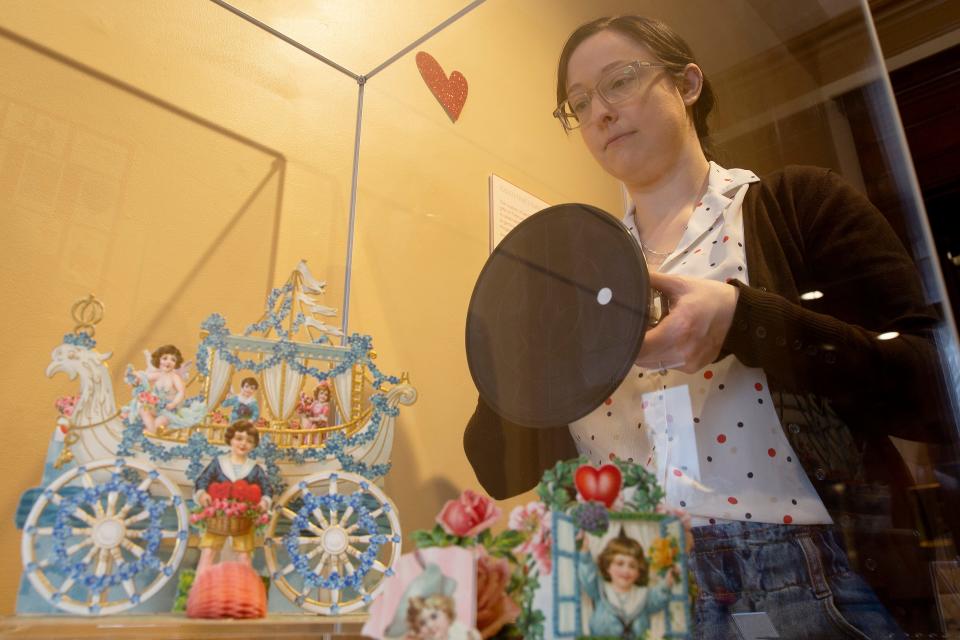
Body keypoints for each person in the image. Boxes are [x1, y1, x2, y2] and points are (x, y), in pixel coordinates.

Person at [463, 15, 946, 639]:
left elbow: (933, 386)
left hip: (794, 569)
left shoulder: (798, 207)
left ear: (687, 84)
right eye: (579, 103)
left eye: (620, 81)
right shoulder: (576, 273)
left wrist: (745, 320)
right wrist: (527, 328)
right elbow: (497, 470)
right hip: (619, 580)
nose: (600, 113)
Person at [194, 420, 272, 574]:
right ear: (230, 439)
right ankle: (201, 585)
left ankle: (243, 589)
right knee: (208, 551)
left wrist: (264, 501)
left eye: (249, 441)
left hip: (242, 519)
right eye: (239, 439)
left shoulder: (254, 468)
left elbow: (266, 488)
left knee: (244, 555)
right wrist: (202, 494)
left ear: (254, 445)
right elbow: (202, 480)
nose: (243, 444)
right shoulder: (219, 463)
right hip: (218, 516)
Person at [579, 531, 670, 639]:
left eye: (632, 566)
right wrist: (585, 552)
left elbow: (658, 599)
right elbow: (588, 577)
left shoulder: (643, 594)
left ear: (638, 571)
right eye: (620, 563)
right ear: (608, 566)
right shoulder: (601, 589)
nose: (626, 570)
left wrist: (668, 582)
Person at [125, 344, 207, 434]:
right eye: (165, 358)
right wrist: (135, 376)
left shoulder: (174, 377)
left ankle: (150, 432)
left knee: (162, 420)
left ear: (176, 363)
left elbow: (181, 392)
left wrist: (174, 403)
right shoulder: (158, 375)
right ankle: (150, 431)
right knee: (143, 409)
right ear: (158, 360)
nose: (168, 362)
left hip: (169, 410)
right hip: (156, 407)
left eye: (173, 360)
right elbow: (144, 377)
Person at [404, 594, 481, 640]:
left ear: (447, 613)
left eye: (434, 617)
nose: (430, 625)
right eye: (422, 623)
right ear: (418, 630)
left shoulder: (459, 630)